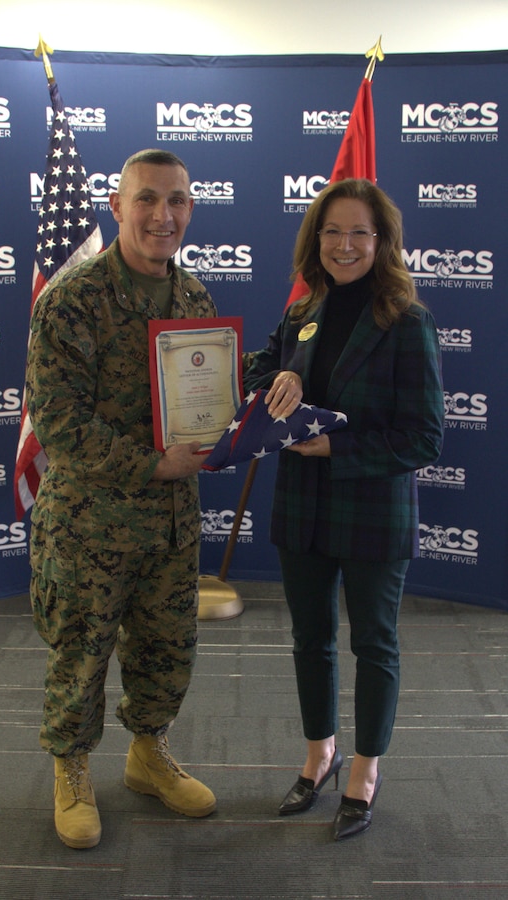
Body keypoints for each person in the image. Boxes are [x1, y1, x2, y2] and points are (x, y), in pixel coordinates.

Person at [26, 149, 217, 850]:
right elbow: (60, 422)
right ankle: (70, 770)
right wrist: (152, 463)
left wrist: (224, 433)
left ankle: (148, 754)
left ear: (190, 208)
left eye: (176, 200)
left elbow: (202, 401)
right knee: (82, 650)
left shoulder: (194, 297)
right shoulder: (72, 300)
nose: (161, 215)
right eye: (146, 199)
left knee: (167, 647)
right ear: (117, 206)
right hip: (90, 523)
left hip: (171, 521)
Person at [243, 178, 444, 841]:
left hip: (371, 510)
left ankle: (364, 767)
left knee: (373, 644)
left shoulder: (406, 324)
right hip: (302, 508)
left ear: (381, 241)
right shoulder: (305, 309)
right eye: (331, 231)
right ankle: (317, 755)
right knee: (309, 639)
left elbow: (423, 437)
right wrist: (278, 376)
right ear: (316, 240)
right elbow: (256, 375)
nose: (344, 244)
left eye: (358, 232)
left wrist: (335, 445)